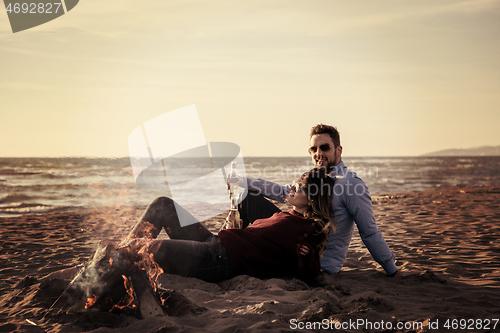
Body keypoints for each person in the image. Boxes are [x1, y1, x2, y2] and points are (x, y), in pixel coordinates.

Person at [235, 124, 417, 277]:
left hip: (313, 261)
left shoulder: (350, 184)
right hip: (293, 243)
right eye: (313, 149)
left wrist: (392, 270)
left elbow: (369, 232)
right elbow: (284, 192)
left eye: (324, 147)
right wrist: (244, 182)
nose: (318, 153)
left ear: (339, 149)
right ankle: (234, 245)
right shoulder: (316, 177)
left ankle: (235, 251)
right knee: (247, 198)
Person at [117, 167, 335, 282]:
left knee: (141, 247)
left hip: (217, 260)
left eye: (300, 188)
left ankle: (113, 260)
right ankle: (115, 256)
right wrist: (236, 228)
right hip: (216, 242)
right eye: (296, 183)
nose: (293, 188)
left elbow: (312, 273)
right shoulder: (287, 215)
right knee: (162, 204)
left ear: (313, 199)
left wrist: (306, 257)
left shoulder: (307, 230)